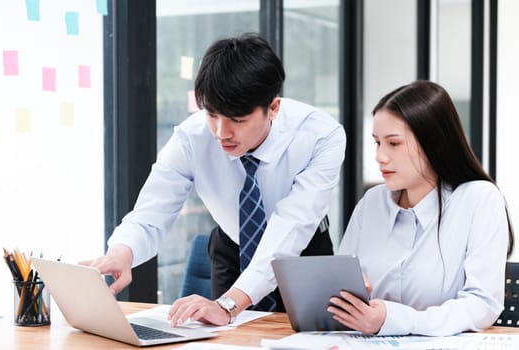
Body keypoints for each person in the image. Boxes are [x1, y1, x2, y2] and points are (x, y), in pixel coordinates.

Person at [82, 33, 346, 326]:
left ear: (273, 108)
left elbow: (291, 227)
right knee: (223, 339)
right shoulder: (191, 137)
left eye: (238, 119)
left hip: (304, 253)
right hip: (233, 247)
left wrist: (229, 303)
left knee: (314, 339)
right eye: (212, 115)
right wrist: (122, 253)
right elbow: (150, 213)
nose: (222, 132)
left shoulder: (322, 136)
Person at [329, 80, 514, 336]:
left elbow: (482, 305)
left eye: (394, 143)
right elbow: (336, 287)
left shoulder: (479, 200)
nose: (380, 156)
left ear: (433, 143)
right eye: (377, 143)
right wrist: (349, 294)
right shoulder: (371, 203)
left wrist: (395, 320)